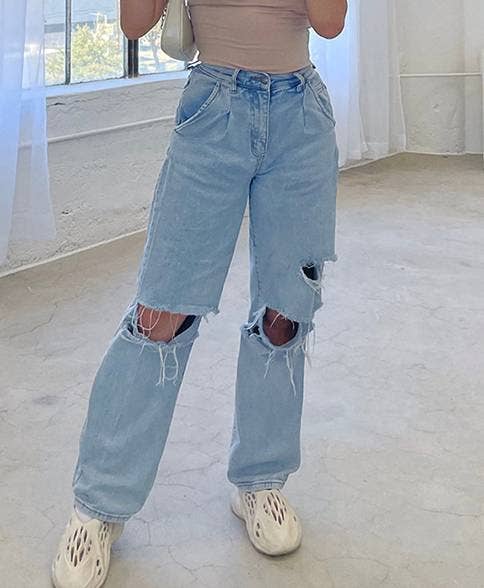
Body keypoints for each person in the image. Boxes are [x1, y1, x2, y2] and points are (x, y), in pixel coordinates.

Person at [51, 0, 347, 586]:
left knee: (285, 314)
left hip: (301, 115)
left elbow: (330, 22)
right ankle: (98, 506)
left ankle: (260, 481)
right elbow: (134, 23)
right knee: (160, 313)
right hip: (215, 107)